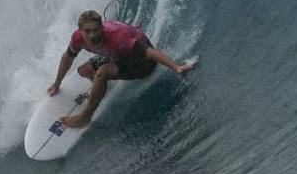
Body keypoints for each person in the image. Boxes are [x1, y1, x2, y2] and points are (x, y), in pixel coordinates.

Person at [47, 9, 195, 129]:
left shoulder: (118, 38)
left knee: (102, 73)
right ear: (80, 30)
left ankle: (85, 116)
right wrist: (57, 83)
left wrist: (176, 67)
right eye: (87, 31)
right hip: (115, 56)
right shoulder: (77, 38)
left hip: (142, 63)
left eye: (95, 30)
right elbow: (68, 57)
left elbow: (150, 52)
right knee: (83, 71)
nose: (92, 35)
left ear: (102, 27)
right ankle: (101, 88)